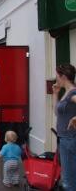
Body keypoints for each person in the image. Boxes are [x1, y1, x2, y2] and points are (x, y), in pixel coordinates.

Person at [52, 63, 76, 191]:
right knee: (68, 177)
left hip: (69, 140)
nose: (56, 80)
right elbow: (57, 113)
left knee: (69, 181)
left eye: (57, 76)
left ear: (64, 77)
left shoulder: (73, 93)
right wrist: (55, 93)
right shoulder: (66, 92)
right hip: (64, 139)